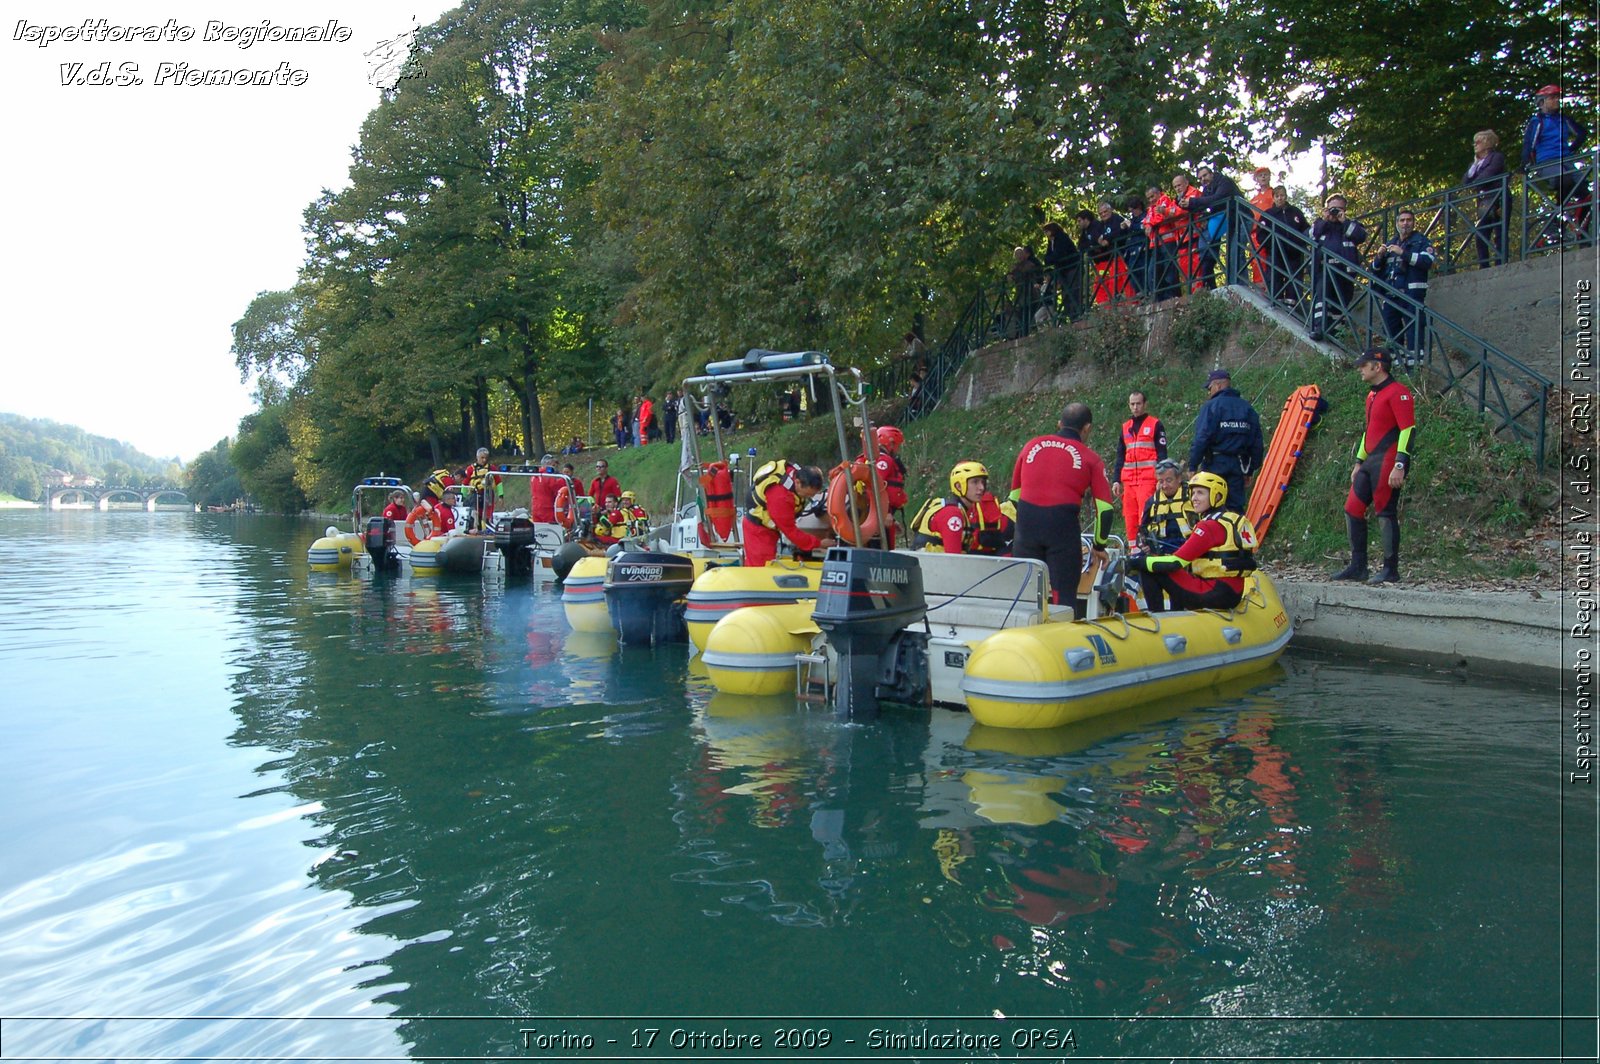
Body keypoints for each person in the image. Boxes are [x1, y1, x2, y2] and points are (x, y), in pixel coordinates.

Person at [1008, 402, 1114, 615]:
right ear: (1087, 429)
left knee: (1025, 597)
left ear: (1059, 423)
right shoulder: (1091, 458)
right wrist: (1099, 545)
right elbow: (1105, 509)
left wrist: (1028, 523)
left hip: (1027, 525)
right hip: (1062, 527)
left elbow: (1014, 497)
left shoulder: (1031, 446)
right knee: (1063, 599)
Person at [1331, 348, 1416, 584]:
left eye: (1363, 365)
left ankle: (1391, 569)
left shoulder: (1399, 393)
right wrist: (1359, 461)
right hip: (1370, 461)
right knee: (1352, 508)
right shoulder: (1372, 396)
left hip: (1388, 460)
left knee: (1385, 512)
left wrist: (1400, 464)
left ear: (1377, 367)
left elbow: (1408, 429)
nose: (1360, 369)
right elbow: (1370, 431)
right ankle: (1358, 566)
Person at [1131, 472, 1259, 611]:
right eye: (1193, 493)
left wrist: (1134, 562)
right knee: (1168, 567)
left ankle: (1158, 618)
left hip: (1214, 593)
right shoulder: (1230, 519)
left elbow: (1176, 562)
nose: (1194, 498)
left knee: (1148, 567)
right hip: (1233, 592)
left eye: (1200, 493)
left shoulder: (1208, 526)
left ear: (1216, 496)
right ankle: (1176, 613)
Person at [1189, 369, 1263, 514]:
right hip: (1238, 466)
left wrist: (1193, 465)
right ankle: (1235, 536)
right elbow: (1257, 444)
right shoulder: (1247, 408)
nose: (1208, 393)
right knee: (1235, 510)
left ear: (1217, 385)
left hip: (1214, 465)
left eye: (1209, 388)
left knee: (1212, 505)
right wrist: (1250, 470)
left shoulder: (1211, 407)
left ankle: (1215, 535)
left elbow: (1201, 438)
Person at [1372, 210, 1437, 369]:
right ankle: (1396, 366)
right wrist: (1379, 257)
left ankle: (1415, 370)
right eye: (1402, 220)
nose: (1405, 223)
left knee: (1414, 331)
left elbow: (1427, 261)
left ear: (1413, 223)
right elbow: (1374, 270)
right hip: (1390, 295)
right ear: (1397, 223)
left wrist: (1404, 253)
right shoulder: (1390, 243)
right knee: (1390, 330)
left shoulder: (1421, 241)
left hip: (1412, 295)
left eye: (1409, 220)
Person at [742, 461, 834, 566]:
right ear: (798, 482)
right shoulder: (781, 497)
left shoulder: (794, 473)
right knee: (760, 567)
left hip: (770, 530)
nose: (807, 498)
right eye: (806, 494)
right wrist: (819, 543)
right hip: (759, 532)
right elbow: (790, 531)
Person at [911, 460, 1011, 554]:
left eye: (983, 482)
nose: (981, 488)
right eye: (975, 482)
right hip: (933, 568)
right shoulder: (953, 514)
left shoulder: (962, 510)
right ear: (959, 486)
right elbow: (954, 559)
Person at [1522, 85, 1588, 217]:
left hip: (1565, 160)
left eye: (1558, 97)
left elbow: (1582, 134)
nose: (1557, 100)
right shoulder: (1537, 121)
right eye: (1552, 97)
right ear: (1542, 102)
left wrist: (1571, 149)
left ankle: (1579, 231)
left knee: (1586, 194)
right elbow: (1529, 144)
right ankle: (1555, 218)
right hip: (1547, 162)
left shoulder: (1563, 119)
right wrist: (1525, 164)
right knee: (1565, 180)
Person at [1309, 192, 1367, 341]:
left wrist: (1344, 221)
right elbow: (1308, 236)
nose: (1335, 212)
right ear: (1326, 209)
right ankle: (1319, 329)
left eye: (1338, 209)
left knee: (1341, 303)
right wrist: (1324, 220)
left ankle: (1336, 334)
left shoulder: (1350, 224)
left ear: (1344, 210)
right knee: (1322, 298)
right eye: (1332, 209)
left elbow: (1361, 236)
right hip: (1324, 269)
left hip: (1345, 272)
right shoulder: (1320, 225)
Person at [1112, 391, 1169, 540]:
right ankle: (1133, 552)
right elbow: (1120, 456)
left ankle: (1146, 549)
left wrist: (1161, 479)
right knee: (1130, 519)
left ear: (1145, 404)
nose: (1135, 407)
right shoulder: (1126, 427)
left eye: (1138, 403)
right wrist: (1116, 480)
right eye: (1132, 404)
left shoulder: (1155, 424)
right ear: (1129, 405)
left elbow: (1162, 454)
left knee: (1146, 517)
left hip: (1148, 480)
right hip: (1129, 482)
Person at [1187, 162, 1243, 288]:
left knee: (1236, 251)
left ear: (1212, 174)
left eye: (1205, 175)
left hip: (1241, 218)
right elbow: (1203, 205)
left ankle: (1240, 284)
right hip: (1225, 221)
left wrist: (1194, 202)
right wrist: (1185, 204)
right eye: (1200, 178)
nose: (1203, 179)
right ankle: (1213, 285)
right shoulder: (1207, 189)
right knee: (1208, 253)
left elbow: (1217, 198)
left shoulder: (1224, 182)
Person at [1259, 185, 1310, 307]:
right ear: (1273, 198)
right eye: (1277, 196)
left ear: (1286, 196)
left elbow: (1306, 229)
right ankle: (1276, 302)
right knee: (1275, 276)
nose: (1280, 198)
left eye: (1282, 195)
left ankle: (1292, 305)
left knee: (1295, 278)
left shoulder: (1295, 212)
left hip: (1295, 252)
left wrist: (1300, 242)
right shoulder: (1268, 214)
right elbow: (1261, 235)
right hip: (1276, 252)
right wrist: (1271, 245)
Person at [1465, 129, 1510, 268]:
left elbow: (1488, 175)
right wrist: (1473, 167)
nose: (1475, 145)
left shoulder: (1496, 157)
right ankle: (1483, 265)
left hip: (1499, 198)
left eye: (1478, 142)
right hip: (1483, 201)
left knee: (1500, 231)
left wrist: (1475, 182)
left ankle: (1500, 263)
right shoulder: (1474, 164)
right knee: (1481, 234)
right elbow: (1465, 182)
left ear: (1487, 143)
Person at [1143, 183, 1186, 301]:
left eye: (1152, 196)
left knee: (1170, 269)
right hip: (1155, 243)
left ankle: (1173, 295)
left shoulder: (1164, 200)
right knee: (1153, 271)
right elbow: (1145, 220)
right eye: (1149, 198)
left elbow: (1162, 216)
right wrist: (1148, 224)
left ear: (1158, 193)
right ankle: (1158, 297)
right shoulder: (1151, 208)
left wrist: (1150, 224)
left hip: (1168, 240)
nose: (1151, 200)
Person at [1086, 201, 1134, 304]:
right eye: (1101, 213)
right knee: (1111, 282)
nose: (1103, 214)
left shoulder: (1117, 219)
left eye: (1105, 211)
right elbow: (1096, 238)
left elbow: (1119, 231)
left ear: (1111, 210)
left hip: (1122, 254)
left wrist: (1107, 239)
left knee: (1124, 280)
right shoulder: (1101, 224)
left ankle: (1131, 302)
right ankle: (1115, 305)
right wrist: (1099, 240)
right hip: (1110, 258)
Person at [1041, 221, 1081, 321]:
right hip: (1062, 270)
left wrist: (1052, 259)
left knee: (1073, 290)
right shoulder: (1051, 241)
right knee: (1065, 293)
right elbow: (1048, 256)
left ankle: (1076, 314)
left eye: (1047, 231)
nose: (1046, 234)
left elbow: (1059, 254)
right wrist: (1050, 259)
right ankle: (1070, 315)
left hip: (1071, 267)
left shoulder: (1061, 237)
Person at [463, 446, 503, 529]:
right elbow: (464, 483)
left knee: (488, 513)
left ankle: (488, 525)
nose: (484, 460)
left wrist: (501, 496)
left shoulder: (492, 468)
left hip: (488, 493)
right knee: (475, 513)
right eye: (482, 458)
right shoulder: (470, 469)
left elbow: (498, 482)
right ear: (477, 457)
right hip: (474, 494)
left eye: (486, 458)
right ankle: (475, 527)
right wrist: (463, 497)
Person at [529, 453, 562, 523]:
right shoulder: (549, 476)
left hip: (535, 508)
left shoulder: (534, 476)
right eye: (554, 465)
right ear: (548, 464)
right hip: (547, 509)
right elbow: (557, 493)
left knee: (538, 531)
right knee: (550, 531)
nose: (556, 467)